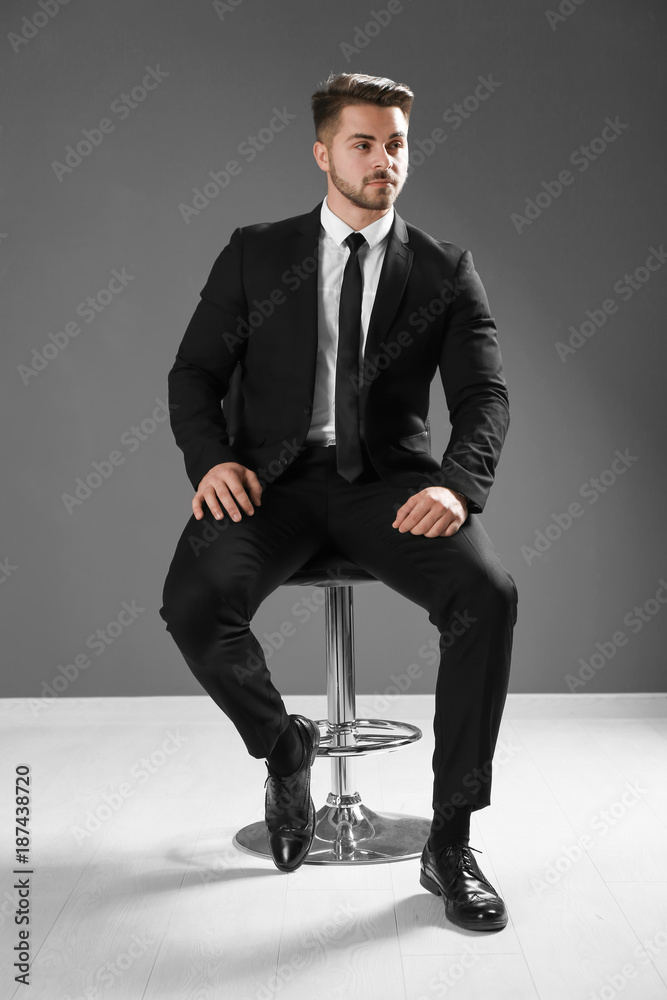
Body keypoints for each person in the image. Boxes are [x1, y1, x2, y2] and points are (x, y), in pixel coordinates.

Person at [159, 71, 518, 932]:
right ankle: (286, 749)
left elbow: (484, 397)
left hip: (388, 485)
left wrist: (456, 485)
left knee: (487, 597)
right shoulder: (255, 252)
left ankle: (450, 843)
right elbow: (194, 373)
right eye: (362, 143)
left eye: (395, 143)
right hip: (268, 484)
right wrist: (211, 462)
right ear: (322, 154)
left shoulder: (444, 268)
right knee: (194, 603)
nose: (382, 159)